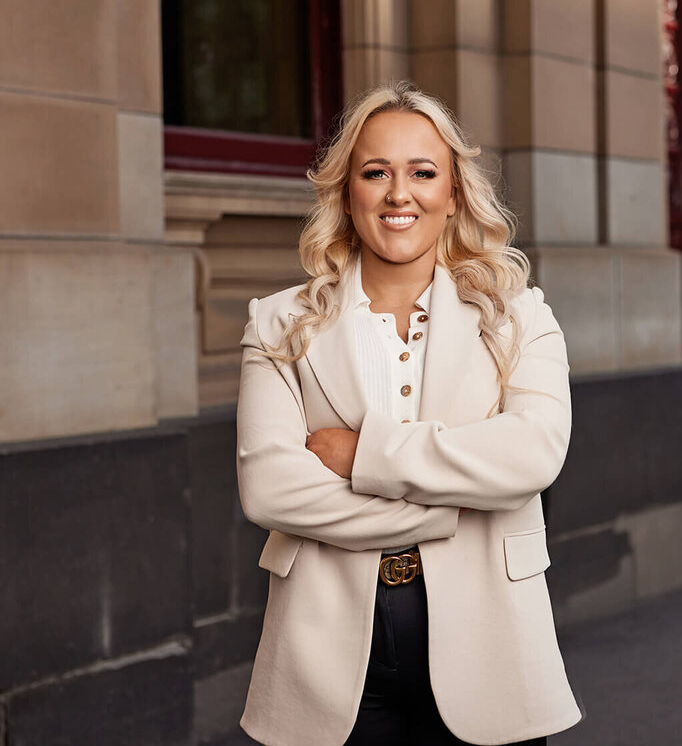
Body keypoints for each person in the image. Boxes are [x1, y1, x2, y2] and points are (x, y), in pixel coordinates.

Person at [236, 79, 583, 746]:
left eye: (423, 173)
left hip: (492, 638)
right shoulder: (279, 323)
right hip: (330, 648)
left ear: (453, 194)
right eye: (376, 173)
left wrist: (363, 454)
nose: (400, 194)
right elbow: (271, 490)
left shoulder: (519, 317)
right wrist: (458, 501)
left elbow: (533, 453)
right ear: (347, 192)